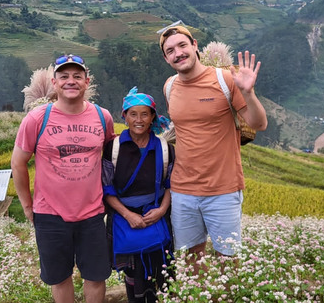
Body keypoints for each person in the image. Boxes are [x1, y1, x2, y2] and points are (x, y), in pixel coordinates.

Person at [11, 55, 116, 303]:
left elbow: (110, 157)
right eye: (64, 76)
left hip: (92, 214)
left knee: (96, 276)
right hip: (50, 215)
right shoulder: (37, 119)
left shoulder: (103, 117)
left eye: (77, 76)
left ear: (86, 82)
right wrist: (28, 206)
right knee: (59, 278)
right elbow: (18, 162)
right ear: (54, 83)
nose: (71, 81)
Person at [159, 24, 267, 260]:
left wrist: (248, 93)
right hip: (182, 191)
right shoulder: (169, 87)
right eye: (170, 51)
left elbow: (259, 124)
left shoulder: (224, 79)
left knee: (227, 259)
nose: (178, 53)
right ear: (166, 58)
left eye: (182, 45)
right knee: (190, 258)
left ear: (195, 45)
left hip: (223, 189)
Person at [103, 87, 174, 303]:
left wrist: (161, 210)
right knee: (134, 274)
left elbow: (171, 184)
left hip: (157, 216)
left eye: (145, 114)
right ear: (124, 117)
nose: (139, 120)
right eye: (133, 114)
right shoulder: (113, 148)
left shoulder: (165, 148)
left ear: (153, 116)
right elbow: (107, 189)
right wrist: (128, 215)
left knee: (163, 269)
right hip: (125, 219)